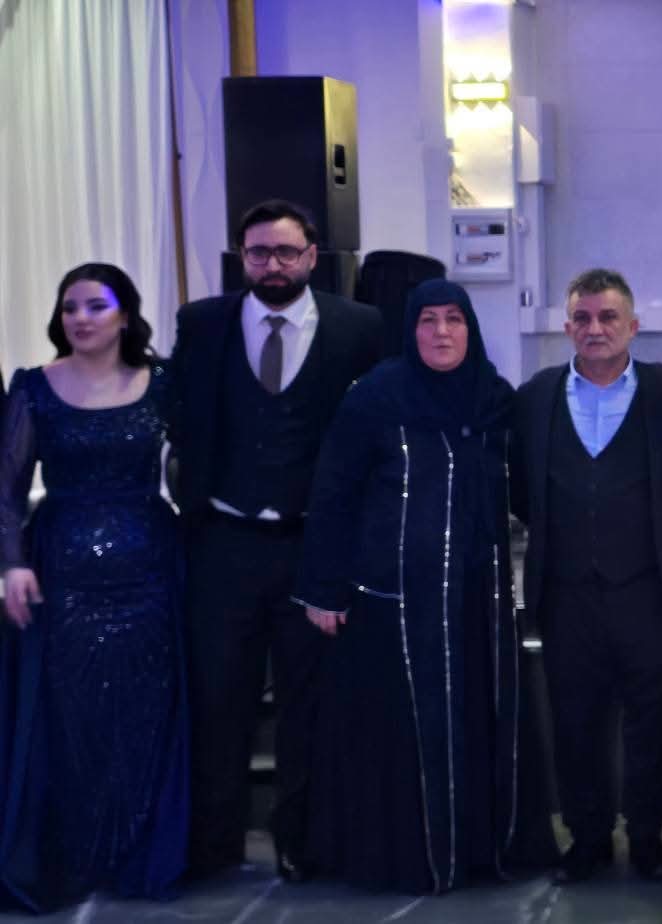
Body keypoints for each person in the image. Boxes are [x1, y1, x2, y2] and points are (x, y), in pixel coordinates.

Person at [294, 279, 556, 893]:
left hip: (478, 605)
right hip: (394, 606)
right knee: (407, 733)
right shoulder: (375, 397)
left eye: (454, 320)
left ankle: (480, 850)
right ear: (409, 330)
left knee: (476, 722)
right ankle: (409, 859)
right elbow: (333, 494)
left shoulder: (494, 399)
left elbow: (527, 492)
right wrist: (323, 587)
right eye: (428, 320)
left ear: (471, 328)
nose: (442, 333)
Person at [167, 199, 382, 880]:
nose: (274, 264)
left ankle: (301, 843)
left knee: (307, 702)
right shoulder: (202, 323)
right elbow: (177, 413)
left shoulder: (359, 327)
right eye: (260, 252)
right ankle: (215, 844)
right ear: (242, 257)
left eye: (287, 252)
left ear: (312, 257)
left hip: (312, 545)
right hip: (223, 542)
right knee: (218, 698)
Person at [0, 264, 187, 910]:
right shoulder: (34, 387)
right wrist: (11, 564)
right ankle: (73, 857)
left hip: (149, 572)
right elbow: (6, 488)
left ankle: (138, 855)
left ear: (126, 316)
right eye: (70, 307)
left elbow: (191, 466)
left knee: (144, 708)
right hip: (62, 575)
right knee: (70, 713)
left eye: (95, 306)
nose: (80, 317)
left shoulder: (163, 384)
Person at [510, 269, 662, 883]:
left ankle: (646, 837)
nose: (595, 328)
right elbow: (521, 489)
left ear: (633, 326)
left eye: (608, 317)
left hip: (648, 589)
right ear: (568, 327)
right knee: (575, 722)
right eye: (583, 318)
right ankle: (588, 838)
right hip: (566, 594)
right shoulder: (534, 397)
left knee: (652, 721)